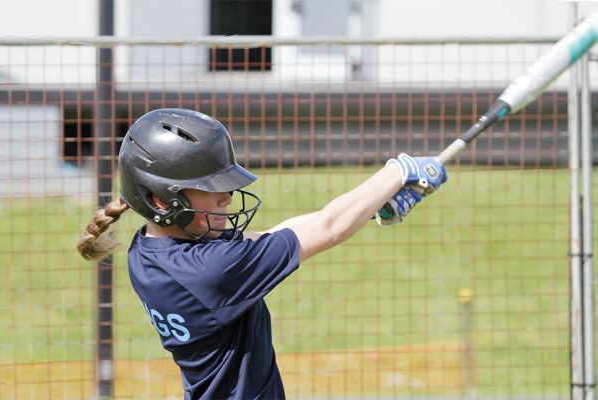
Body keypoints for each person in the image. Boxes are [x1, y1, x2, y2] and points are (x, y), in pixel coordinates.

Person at [77, 108, 447, 399]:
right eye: (211, 188)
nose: (227, 197)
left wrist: (372, 206)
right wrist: (397, 171)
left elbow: (283, 234)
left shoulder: (147, 249)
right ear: (162, 200)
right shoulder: (212, 272)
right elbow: (329, 229)